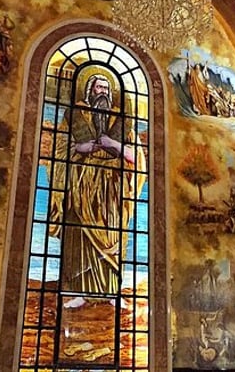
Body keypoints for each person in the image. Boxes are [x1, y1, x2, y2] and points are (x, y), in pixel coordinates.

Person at [49, 73, 145, 308]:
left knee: (113, 236)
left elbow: (137, 157)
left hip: (113, 191)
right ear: (89, 91)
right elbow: (59, 150)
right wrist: (80, 148)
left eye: (106, 88)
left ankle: (112, 292)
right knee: (80, 236)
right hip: (80, 186)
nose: (102, 92)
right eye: (98, 87)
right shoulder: (75, 116)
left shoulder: (122, 122)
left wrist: (114, 145)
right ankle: (79, 293)